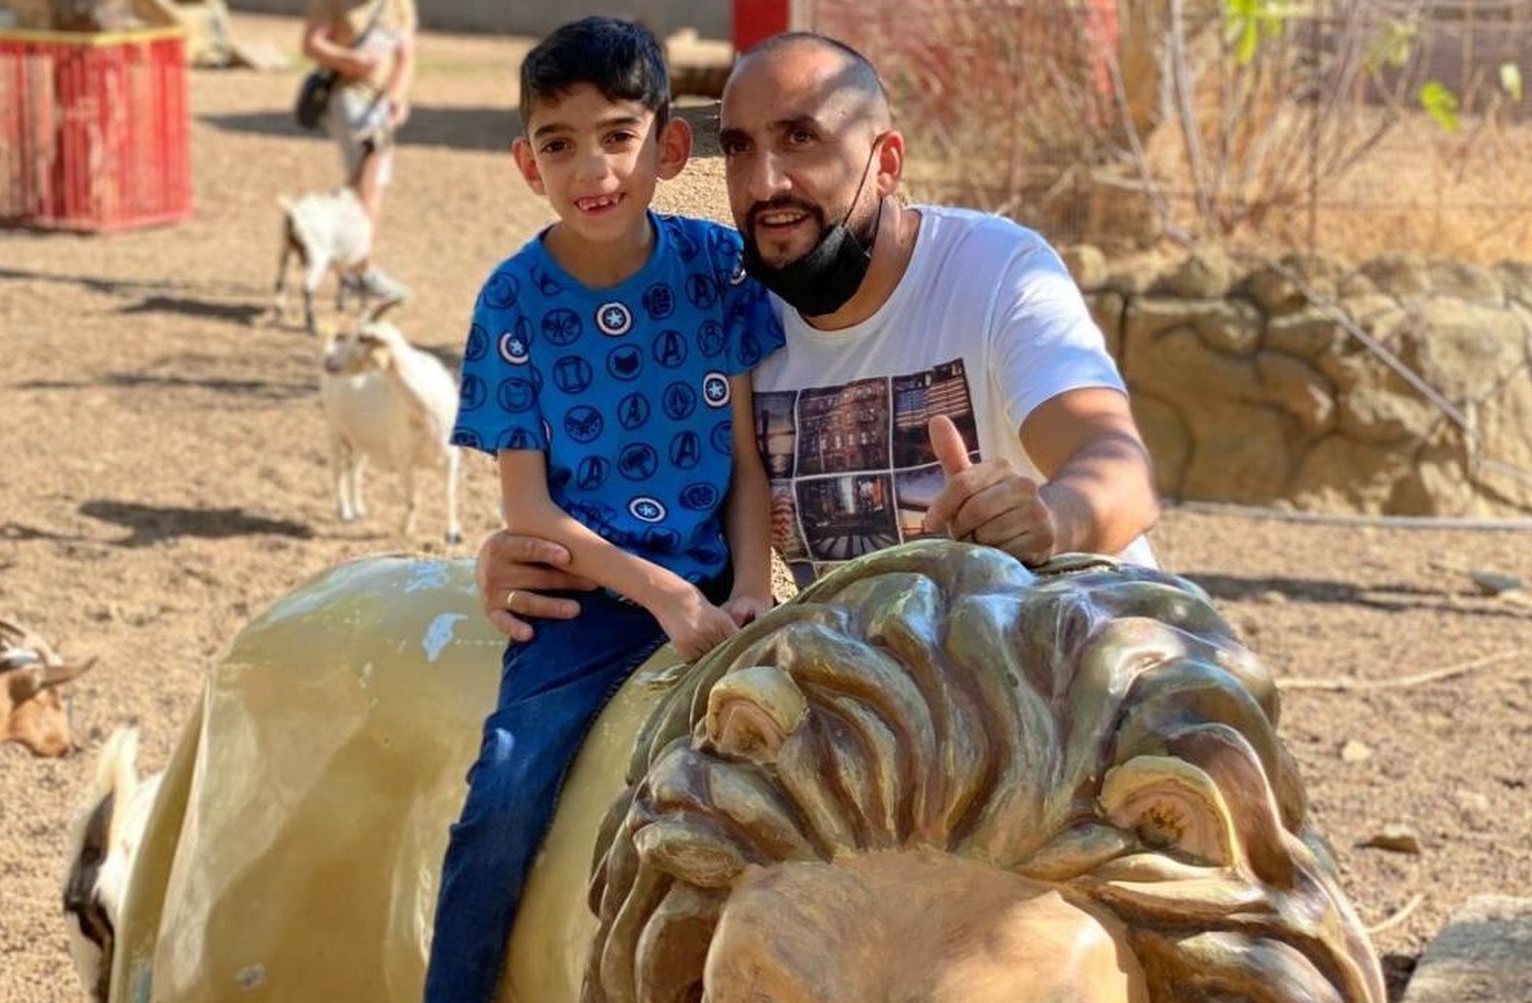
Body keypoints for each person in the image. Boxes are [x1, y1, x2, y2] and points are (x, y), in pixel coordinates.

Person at [476, 31, 1160, 636]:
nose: (765, 181)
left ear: (886, 161)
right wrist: (526, 558)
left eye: (800, 138)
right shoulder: (733, 319)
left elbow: (1120, 469)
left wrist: (1052, 518)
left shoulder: (993, 273)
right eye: (740, 148)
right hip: (893, 720)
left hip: (1083, 674)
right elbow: (641, 500)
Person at [409, 18, 785, 1003]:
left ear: (668, 149)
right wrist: (661, 593)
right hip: (581, 599)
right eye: (561, 143)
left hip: (725, 585)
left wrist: (750, 587)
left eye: (617, 135)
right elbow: (528, 510)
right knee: (507, 791)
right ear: (528, 163)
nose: (593, 167)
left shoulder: (719, 270)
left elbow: (748, 463)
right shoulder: (512, 302)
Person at [300, 0, 416, 305]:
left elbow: (405, 56)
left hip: (380, 104)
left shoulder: (398, 4)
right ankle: (359, 269)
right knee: (368, 187)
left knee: (369, 187)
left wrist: (398, 97)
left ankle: (351, 263)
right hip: (349, 98)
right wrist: (350, 59)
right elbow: (312, 44)